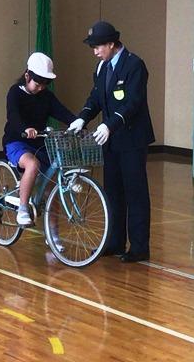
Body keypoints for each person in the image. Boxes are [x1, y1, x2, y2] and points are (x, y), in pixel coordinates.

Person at [69, 21, 154, 263]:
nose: (95, 52)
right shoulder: (102, 67)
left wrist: (110, 124)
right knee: (113, 192)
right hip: (111, 141)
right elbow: (96, 98)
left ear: (111, 43)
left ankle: (139, 247)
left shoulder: (134, 65)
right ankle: (116, 242)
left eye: (98, 47)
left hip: (131, 139)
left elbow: (133, 103)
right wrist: (82, 118)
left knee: (135, 192)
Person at [3, 52, 76, 226]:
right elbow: (13, 116)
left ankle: (53, 235)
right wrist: (25, 129)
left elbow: (62, 112)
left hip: (39, 144)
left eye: (45, 84)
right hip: (17, 141)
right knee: (32, 164)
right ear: (27, 76)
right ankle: (22, 209)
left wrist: (77, 123)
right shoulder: (15, 92)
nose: (41, 88)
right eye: (37, 83)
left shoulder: (46, 96)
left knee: (52, 185)